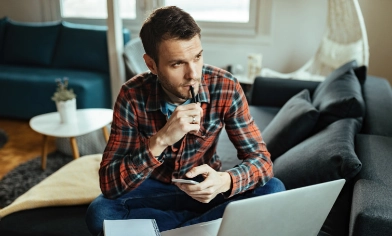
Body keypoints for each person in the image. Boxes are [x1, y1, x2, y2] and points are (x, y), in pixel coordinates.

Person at [85, 6, 285, 235]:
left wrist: (225, 181)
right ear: (151, 65)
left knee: (274, 189)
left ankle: (168, 229)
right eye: (177, 63)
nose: (193, 74)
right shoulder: (131, 96)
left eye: (197, 57)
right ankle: (203, 226)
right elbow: (109, 185)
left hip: (204, 189)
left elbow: (262, 161)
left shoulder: (226, 87)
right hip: (155, 189)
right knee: (100, 212)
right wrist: (159, 140)